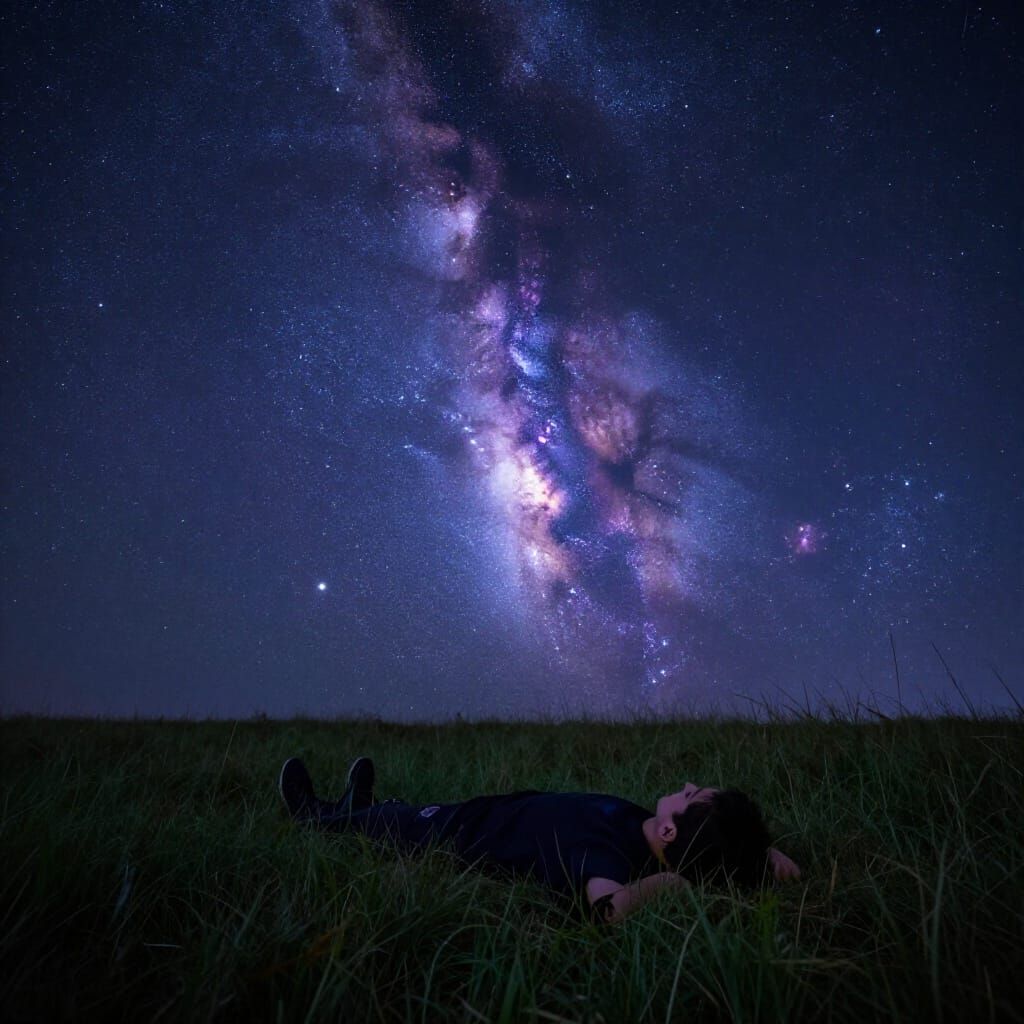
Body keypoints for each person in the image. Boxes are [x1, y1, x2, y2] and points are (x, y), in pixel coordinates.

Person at [278, 756, 802, 924]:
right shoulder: (644, 832)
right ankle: (362, 805)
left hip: (459, 834)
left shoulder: (608, 856)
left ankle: (313, 817)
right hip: (493, 811)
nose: (687, 785)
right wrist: (758, 852)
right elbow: (718, 854)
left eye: (692, 795)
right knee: (393, 815)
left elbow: (609, 910)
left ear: (670, 830)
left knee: (397, 826)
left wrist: (664, 884)